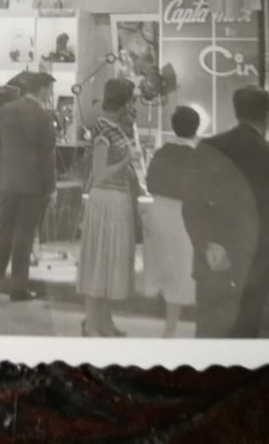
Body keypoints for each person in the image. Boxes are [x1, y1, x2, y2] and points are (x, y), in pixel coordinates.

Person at [201, 87, 269, 337]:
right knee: (247, 323)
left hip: (214, 251)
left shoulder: (210, 147)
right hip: (256, 253)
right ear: (267, 114)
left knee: (211, 325)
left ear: (236, 111)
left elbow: (198, 203)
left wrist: (211, 242)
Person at [182, 118, 258, 338]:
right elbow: (192, 208)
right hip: (221, 261)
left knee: (212, 327)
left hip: (222, 260)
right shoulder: (227, 176)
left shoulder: (209, 164)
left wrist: (205, 245)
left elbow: (191, 208)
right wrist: (206, 245)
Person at [0, 71, 57, 301]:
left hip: (8, 183)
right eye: (50, 91)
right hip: (32, 186)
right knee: (23, 237)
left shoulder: (6, 111)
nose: (50, 95)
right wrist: (51, 188)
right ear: (42, 90)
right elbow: (47, 157)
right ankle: (18, 288)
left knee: (3, 232)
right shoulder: (42, 116)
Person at [77, 78, 138, 337]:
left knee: (109, 263)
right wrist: (126, 161)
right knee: (100, 263)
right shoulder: (103, 129)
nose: (133, 105)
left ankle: (105, 322)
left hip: (116, 200)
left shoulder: (116, 128)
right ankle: (93, 324)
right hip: (106, 203)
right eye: (131, 100)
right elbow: (99, 174)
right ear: (123, 102)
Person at [143, 106, 200, 337]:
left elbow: (149, 184)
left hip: (159, 210)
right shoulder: (198, 156)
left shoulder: (162, 152)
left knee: (162, 266)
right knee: (181, 271)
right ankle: (170, 330)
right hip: (183, 215)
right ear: (196, 128)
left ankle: (167, 328)